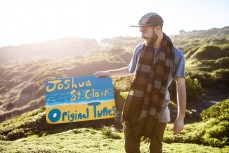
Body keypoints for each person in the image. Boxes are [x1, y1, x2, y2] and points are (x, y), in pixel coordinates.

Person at [94, 12, 186, 153]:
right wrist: (109, 73)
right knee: (130, 148)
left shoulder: (176, 55)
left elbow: (181, 87)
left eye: (145, 31)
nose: (142, 36)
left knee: (155, 149)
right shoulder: (140, 49)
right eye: (140, 32)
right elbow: (130, 69)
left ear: (157, 28)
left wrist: (180, 117)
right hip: (134, 107)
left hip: (159, 111)